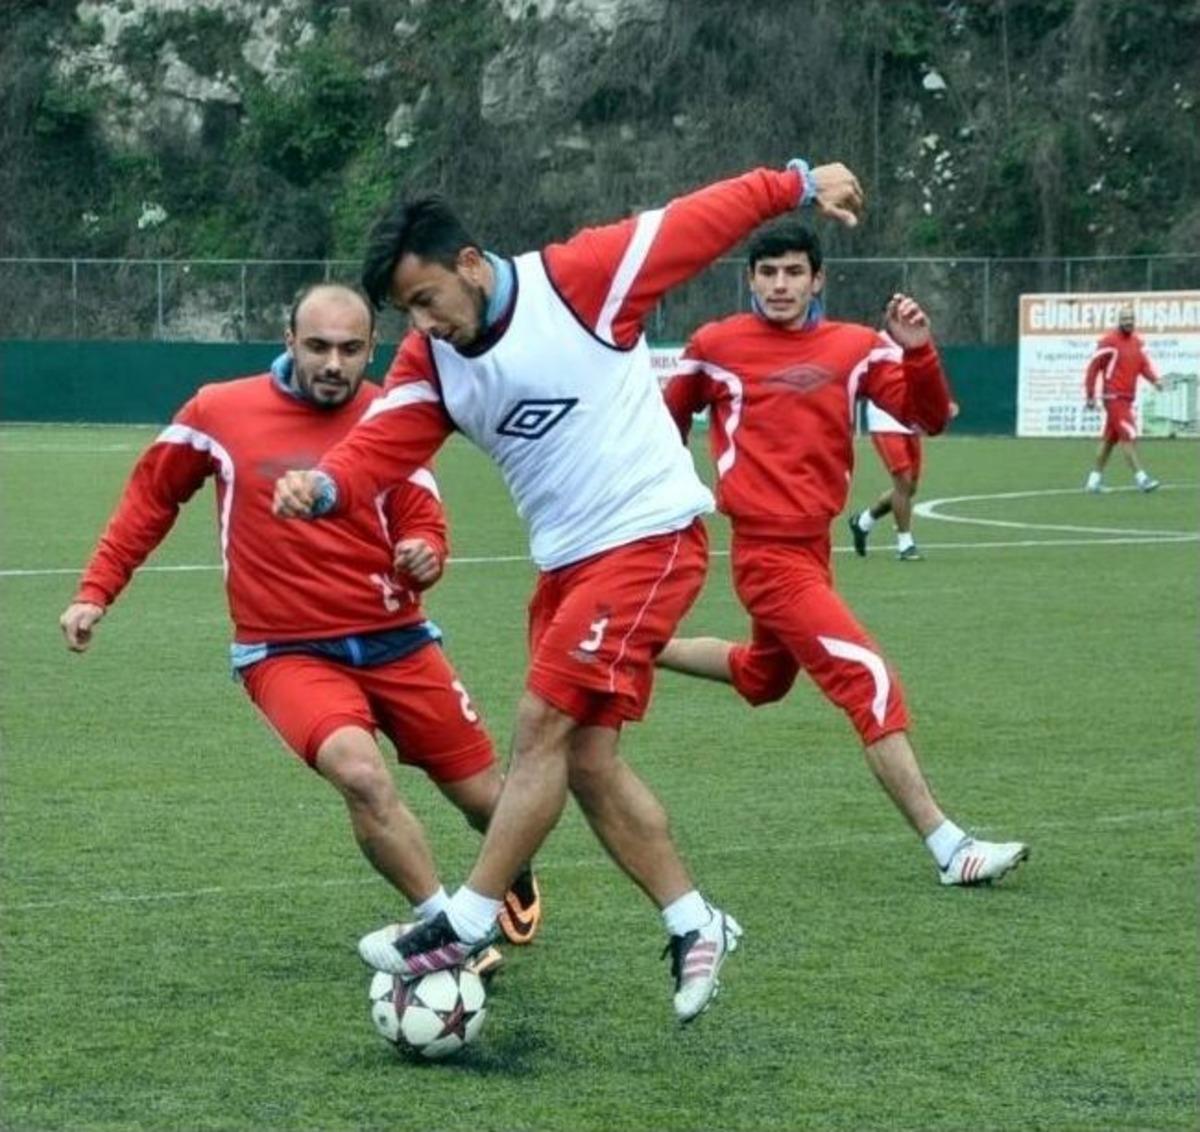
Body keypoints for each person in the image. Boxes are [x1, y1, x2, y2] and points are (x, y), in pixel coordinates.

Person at [271, 159, 866, 1022]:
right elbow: (380, 446)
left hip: (648, 537)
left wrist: (799, 182)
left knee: (540, 723)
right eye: (410, 313)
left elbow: (692, 222)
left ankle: (465, 922)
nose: (427, 322)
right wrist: (324, 487)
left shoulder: (579, 279)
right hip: (566, 566)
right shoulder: (431, 358)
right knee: (586, 762)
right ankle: (694, 922)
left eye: (430, 298)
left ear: (471, 264)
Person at [58, 283, 541, 973]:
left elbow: (421, 514)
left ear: (372, 349)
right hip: (284, 651)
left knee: (484, 799)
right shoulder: (218, 411)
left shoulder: (390, 413)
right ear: (288, 341)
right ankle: (445, 929)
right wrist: (96, 591)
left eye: (350, 349)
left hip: (397, 640)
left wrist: (424, 554)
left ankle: (510, 868)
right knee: (361, 776)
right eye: (318, 346)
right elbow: (151, 497)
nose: (334, 363)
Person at [657, 220, 1029, 887]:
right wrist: (667, 497)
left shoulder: (857, 347)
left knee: (763, 678)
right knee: (869, 680)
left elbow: (932, 416)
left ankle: (640, 645)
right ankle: (951, 848)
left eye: (794, 272)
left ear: (817, 278)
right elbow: (665, 423)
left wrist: (917, 350)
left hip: (813, 549)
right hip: (765, 557)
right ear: (750, 279)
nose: (779, 284)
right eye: (767, 272)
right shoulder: (714, 345)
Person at [849, 395, 960, 561]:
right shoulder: (876, 368)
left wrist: (942, 401)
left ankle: (863, 521)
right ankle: (905, 544)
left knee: (910, 488)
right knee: (903, 483)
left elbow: (925, 378)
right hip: (884, 421)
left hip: (909, 421)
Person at [1083, 301, 1162, 493]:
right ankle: (1142, 479)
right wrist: (1090, 394)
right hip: (1113, 396)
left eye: (1131, 318)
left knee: (1110, 440)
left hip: (1126, 398)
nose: (1128, 321)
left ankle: (1093, 482)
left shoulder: (1136, 343)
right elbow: (1093, 367)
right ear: (1119, 320)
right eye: (1125, 318)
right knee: (1129, 434)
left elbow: (1143, 366)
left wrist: (1155, 380)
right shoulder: (1109, 341)